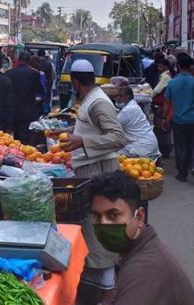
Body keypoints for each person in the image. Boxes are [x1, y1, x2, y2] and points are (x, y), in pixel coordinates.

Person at [50, 59, 127, 305]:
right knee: (92, 227)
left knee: (99, 227)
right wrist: (68, 131)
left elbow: (117, 137)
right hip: (91, 169)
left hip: (100, 171)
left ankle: (108, 289)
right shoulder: (93, 97)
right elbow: (91, 128)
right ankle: (98, 281)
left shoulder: (98, 103)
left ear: (74, 81)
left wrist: (83, 142)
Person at [89, 171, 194, 305]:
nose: (103, 224)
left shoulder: (143, 271)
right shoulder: (139, 249)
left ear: (139, 217)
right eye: (97, 216)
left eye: (113, 215)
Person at [163, 53, 194, 183]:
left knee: (180, 147)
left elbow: (167, 103)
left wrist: (164, 118)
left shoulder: (172, 83)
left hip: (178, 120)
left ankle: (182, 173)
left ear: (178, 66)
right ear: (191, 66)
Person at [5, 51, 43, 143]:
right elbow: (40, 92)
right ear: (29, 61)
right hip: (28, 112)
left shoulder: (9, 73)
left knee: (16, 138)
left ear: (18, 60)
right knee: (26, 139)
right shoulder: (35, 74)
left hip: (13, 111)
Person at [116, 87, 159, 158]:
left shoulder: (128, 110)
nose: (117, 98)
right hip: (150, 142)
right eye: (117, 96)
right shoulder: (134, 106)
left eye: (120, 96)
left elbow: (114, 126)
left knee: (115, 156)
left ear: (128, 96)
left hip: (143, 145)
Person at [151, 59, 173, 159]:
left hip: (162, 105)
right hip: (162, 104)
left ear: (165, 66)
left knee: (161, 128)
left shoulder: (166, 76)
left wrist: (149, 95)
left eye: (160, 67)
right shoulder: (167, 75)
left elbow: (157, 90)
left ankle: (164, 149)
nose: (158, 69)